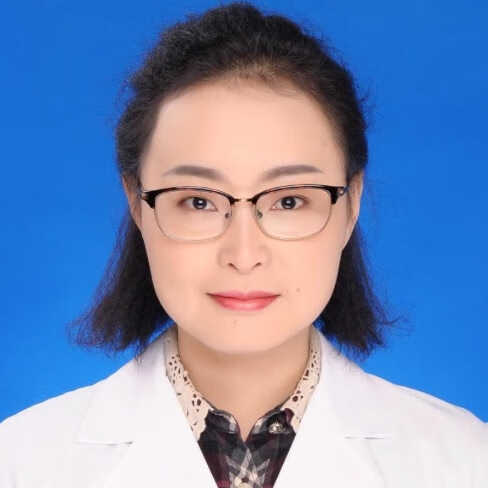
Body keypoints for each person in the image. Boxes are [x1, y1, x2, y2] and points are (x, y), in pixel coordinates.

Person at [1, 2, 486, 487]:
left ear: (351, 203)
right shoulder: (21, 463)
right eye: (198, 201)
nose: (243, 254)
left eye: (290, 201)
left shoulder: (464, 460)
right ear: (137, 204)